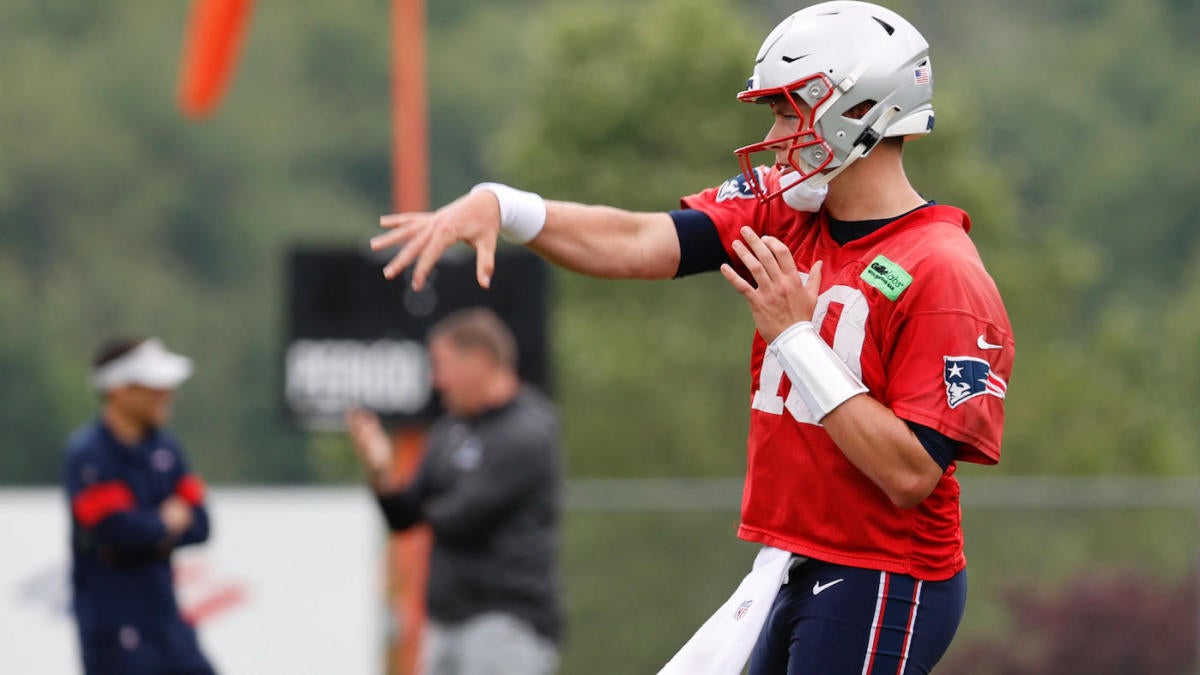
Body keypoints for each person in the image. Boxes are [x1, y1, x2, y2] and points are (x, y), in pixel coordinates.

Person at [369, 2, 1014, 672]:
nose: (775, 132)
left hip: (884, 568)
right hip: (796, 555)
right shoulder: (781, 211)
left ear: (859, 111)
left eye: (791, 111)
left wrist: (797, 338)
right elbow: (638, 240)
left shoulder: (941, 269)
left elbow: (911, 472)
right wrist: (508, 206)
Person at [345, 307, 563, 675]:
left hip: (505, 625)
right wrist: (379, 470)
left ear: (478, 361)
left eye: (442, 365)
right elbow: (404, 516)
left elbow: (460, 516)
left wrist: (428, 506)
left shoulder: (529, 431)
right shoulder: (449, 428)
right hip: (445, 624)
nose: (437, 381)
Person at [62, 337, 216, 675]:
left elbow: (201, 524)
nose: (166, 395)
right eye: (154, 386)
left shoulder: (167, 448)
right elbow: (115, 531)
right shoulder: (89, 454)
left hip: (167, 623)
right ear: (119, 389)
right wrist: (164, 523)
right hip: (114, 631)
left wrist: (151, 527)